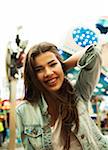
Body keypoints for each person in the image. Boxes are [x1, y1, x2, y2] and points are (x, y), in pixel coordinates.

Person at [16, 42, 108, 150]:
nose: (48, 72)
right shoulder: (24, 111)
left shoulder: (77, 93)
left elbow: (93, 54)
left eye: (52, 64)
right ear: (33, 76)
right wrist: (57, 69)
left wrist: (62, 68)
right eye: (39, 69)